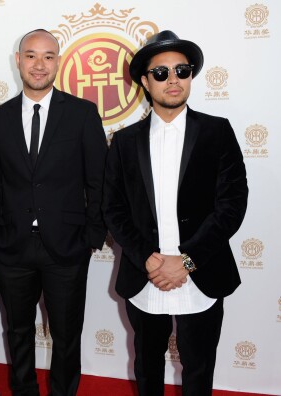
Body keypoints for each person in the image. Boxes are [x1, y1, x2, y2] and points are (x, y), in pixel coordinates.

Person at [102, 31, 248, 396]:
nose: (173, 80)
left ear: (191, 76)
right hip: (144, 275)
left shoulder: (218, 131)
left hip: (200, 272)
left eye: (181, 70)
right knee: (147, 369)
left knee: (199, 371)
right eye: (161, 72)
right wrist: (146, 259)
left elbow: (232, 204)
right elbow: (113, 208)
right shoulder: (123, 141)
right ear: (146, 82)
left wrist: (186, 261)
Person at [0, 29, 108, 396]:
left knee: (67, 334)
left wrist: (91, 236)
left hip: (67, 245)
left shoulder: (82, 114)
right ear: (18, 60)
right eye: (31, 55)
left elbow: (98, 181)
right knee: (17, 331)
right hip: (11, 247)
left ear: (58, 62)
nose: (39, 64)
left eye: (48, 56)